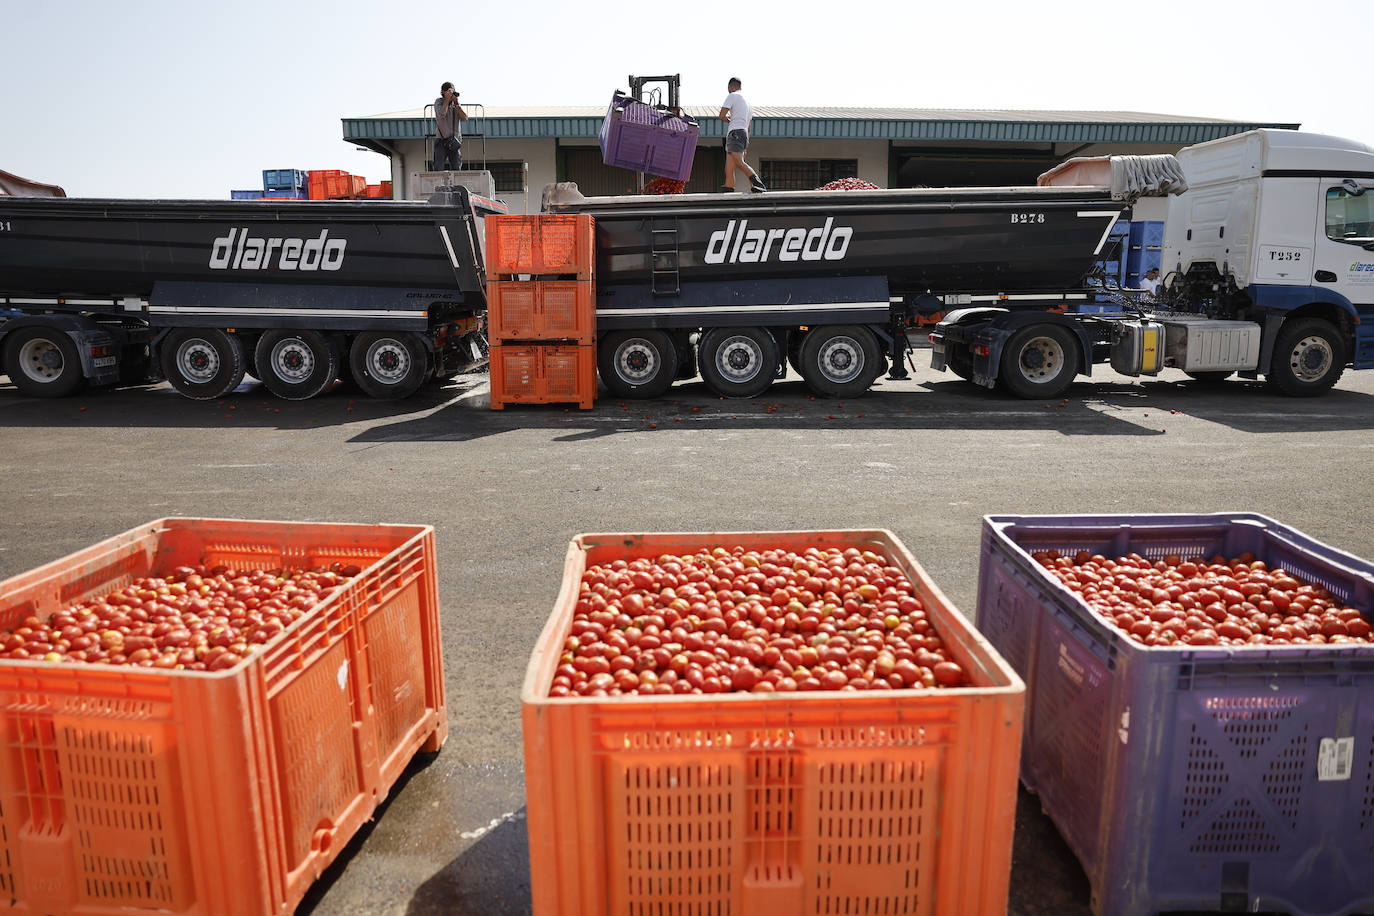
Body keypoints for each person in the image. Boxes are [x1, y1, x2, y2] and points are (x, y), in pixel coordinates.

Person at [719, 78, 765, 193]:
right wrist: (745, 146)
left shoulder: (732, 96)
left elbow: (722, 115)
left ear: (730, 86)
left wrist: (729, 120)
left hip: (735, 132)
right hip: (743, 133)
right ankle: (729, 189)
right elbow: (748, 127)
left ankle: (758, 183)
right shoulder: (748, 104)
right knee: (729, 168)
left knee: (739, 163)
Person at [434, 81, 468, 172]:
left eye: (452, 91)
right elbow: (442, 114)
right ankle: (439, 186)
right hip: (441, 140)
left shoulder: (455, 105)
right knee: (439, 168)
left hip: (454, 141)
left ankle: (456, 186)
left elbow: (465, 118)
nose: (451, 93)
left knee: (456, 169)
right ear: (443, 92)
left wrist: (456, 103)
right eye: (449, 91)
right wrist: (447, 100)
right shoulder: (439, 102)